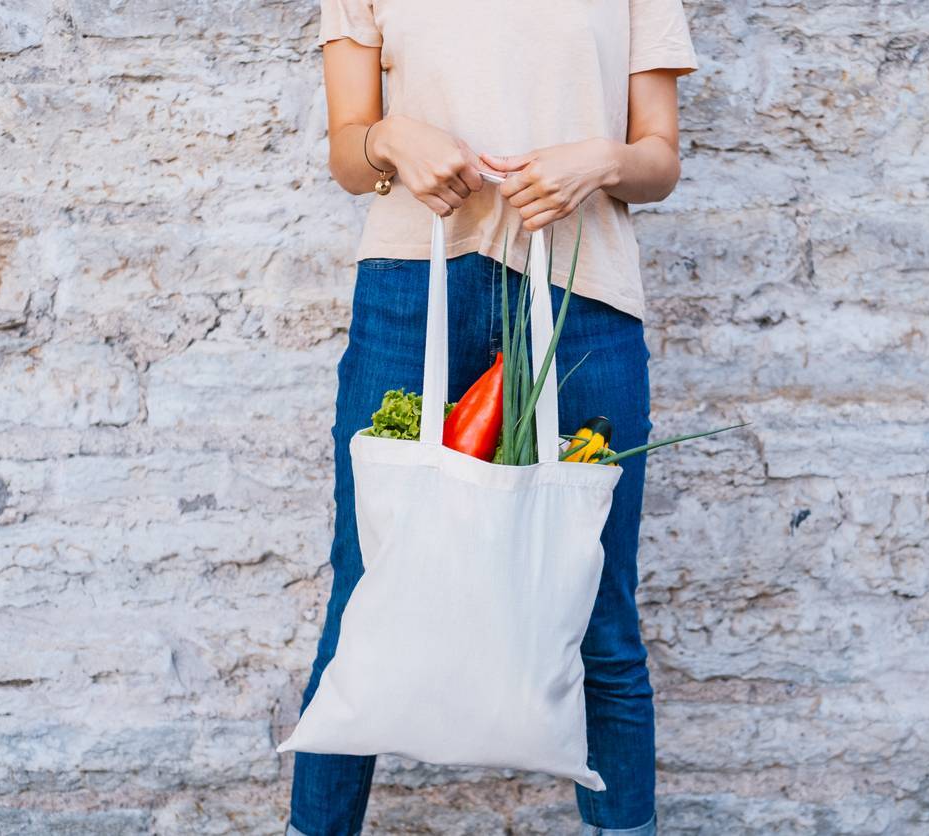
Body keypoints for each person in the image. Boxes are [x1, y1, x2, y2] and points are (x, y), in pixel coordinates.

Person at [287, 2, 698, 834]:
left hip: (584, 292)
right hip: (413, 286)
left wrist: (601, 161)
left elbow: (659, 160)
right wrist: (390, 140)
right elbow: (348, 146)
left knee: (596, 608)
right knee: (365, 592)